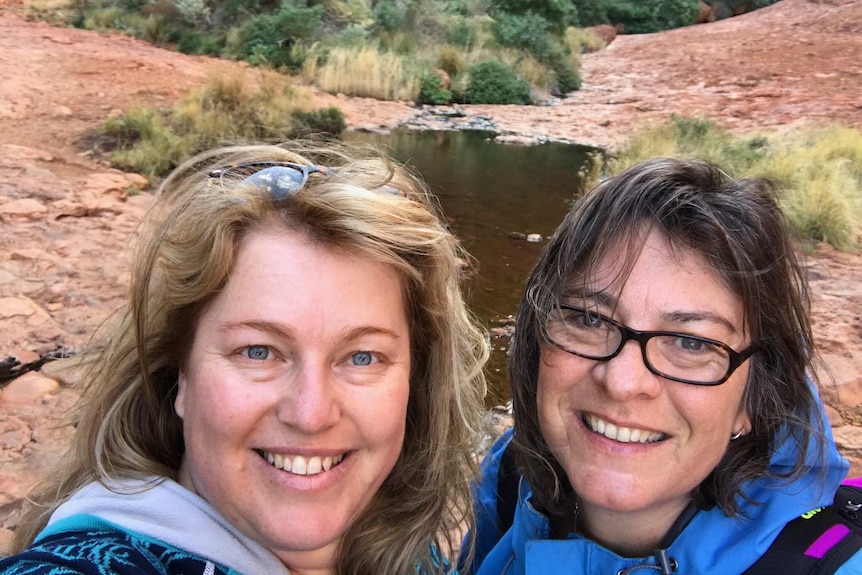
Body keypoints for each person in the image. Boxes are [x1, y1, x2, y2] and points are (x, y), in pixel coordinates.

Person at [0, 142, 488, 575]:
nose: (311, 413)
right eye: (259, 351)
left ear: (415, 382)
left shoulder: (414, 555)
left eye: (362, 356)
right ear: (180, 376)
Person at [463, 157, 861, 574]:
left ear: (754, 396)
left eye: (691, 343)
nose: (622, 381)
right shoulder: (512, 475)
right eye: (590, 319)